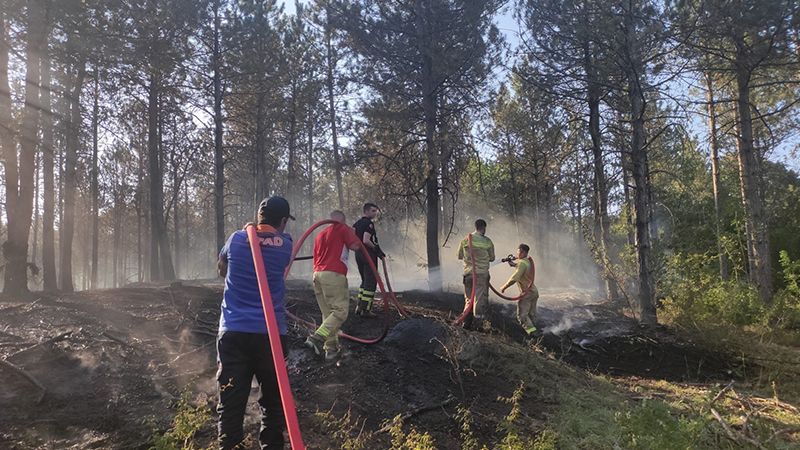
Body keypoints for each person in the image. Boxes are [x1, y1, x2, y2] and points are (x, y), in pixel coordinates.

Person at [215, 196, 295, 450]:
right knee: (273, 401)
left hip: (233, 332)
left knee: (231, 401)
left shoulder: (236, 239)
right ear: (283, 221)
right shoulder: (286, 244)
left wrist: (246, 232)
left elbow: (222, 268)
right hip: (270, 335)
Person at [304, 210, 361, 360]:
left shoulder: (320, 234)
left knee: (328, 314)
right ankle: (316, 338)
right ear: (342, 220)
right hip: (334, 274)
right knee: (340, 311)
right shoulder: (343, 228)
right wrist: (353, 234)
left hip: (317, 275)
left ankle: (331, 349)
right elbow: (356, 246)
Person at [457, 219, 495, 329]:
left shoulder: (465, 240)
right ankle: (479, 325)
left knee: (469, 299)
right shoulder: (487, 241)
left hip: (468, 274)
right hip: (481, 275)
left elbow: (459, 255)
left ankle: (466, 323)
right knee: (480, 299)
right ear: (483, 227)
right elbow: (492, 258)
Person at [352, 202, 385, 316]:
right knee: (371, 282)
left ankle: (359, 307)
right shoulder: (368, 224)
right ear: (366, 211)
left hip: (358, 254)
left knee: (364, 281)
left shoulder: (356, 224)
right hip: (368, 255)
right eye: (372, 211)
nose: (375, 213)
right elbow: (366, 240)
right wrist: (376, 249)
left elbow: (353, 238)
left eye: (375, 211)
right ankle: (366, 310)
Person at [499, 244, 539, 336]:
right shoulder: (527, 261)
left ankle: (532, 334)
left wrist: (504, 287)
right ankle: (536, 330)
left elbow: (514, 278)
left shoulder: (522, 263)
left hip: (526, 293)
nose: (517, 253)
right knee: (531, 314)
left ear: (523, 252)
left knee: (522, 316)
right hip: (534, 292)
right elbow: (521, 267)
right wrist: (513, 265)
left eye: (519, 251)